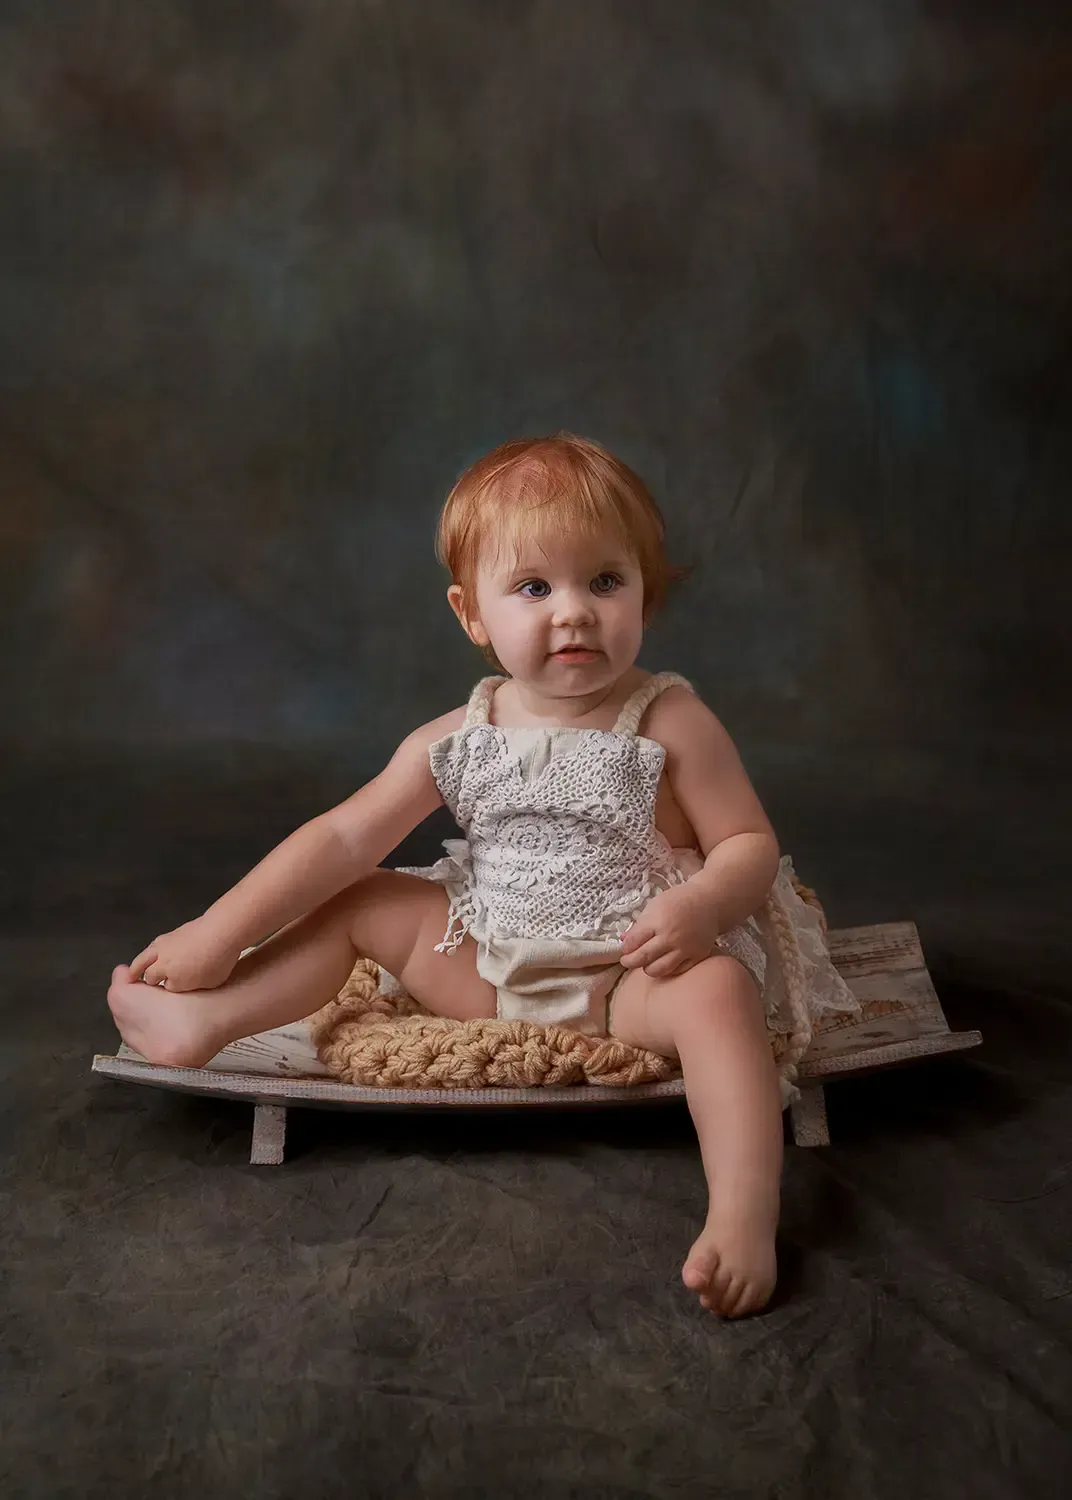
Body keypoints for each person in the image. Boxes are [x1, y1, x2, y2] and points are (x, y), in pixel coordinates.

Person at [107, 432, 856, 1319]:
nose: (573, 612)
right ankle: (207, 1019)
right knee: (368, 898)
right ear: (473, 614)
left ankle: (742, 1213)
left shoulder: (670, 720)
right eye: (534, 588)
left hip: (628, 977)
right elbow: (344, 835)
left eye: (605, 582)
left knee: (723, 993)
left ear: (644, 594)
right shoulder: (458, 739)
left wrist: (701, 905)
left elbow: (747, 845)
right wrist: (215, 933)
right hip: (485, 963)